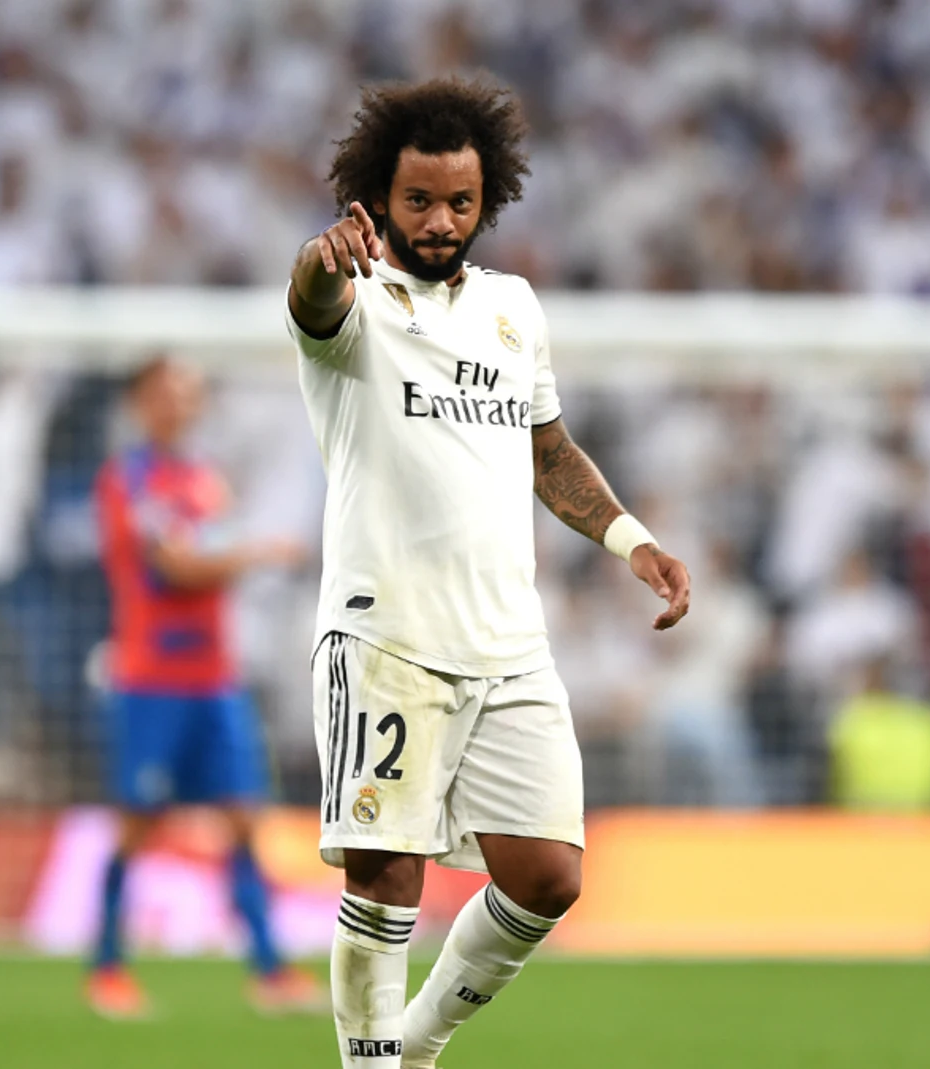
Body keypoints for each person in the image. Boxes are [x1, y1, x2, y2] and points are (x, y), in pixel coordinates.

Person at [284, 77, 692, 1068]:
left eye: (458, 202)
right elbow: (311, 300)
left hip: (509, 644)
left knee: (549, 875)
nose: (439, 221)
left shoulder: (513, 308)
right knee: (386, 874)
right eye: (418, 200)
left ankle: (415, 1046)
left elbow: (547, 449)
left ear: (487, 199)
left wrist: (631, 539)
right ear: (380, 197)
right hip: (387, 638)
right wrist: (321, 261)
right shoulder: (360, 299)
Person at [86, 358, 323, 1019]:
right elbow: (178, 565)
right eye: (168, 391)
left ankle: (269, 969)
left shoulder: (203, 479)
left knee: (243, 815)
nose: (181, 403)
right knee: (138, 823)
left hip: (215, 678)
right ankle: (107, 967)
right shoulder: (128, 480)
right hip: (150, 678)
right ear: (140, 401)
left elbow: (207, 552)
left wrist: (227, 552)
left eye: (190, 392)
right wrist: (255, 552)